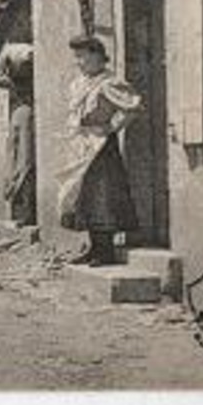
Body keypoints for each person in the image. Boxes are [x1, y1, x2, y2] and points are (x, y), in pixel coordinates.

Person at [57, 35, 142, 266]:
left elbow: (133, 107)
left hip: (102, 144)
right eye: (77, 57)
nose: (79, 62)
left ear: (97, 56)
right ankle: (93, 247)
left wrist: (111, 127)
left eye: (82, 56)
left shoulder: (109, 82)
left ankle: (105, 251)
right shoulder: (79, 83)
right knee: (82, 194)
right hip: (82, 143)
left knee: (102, 195)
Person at [0, 42, 37, 227]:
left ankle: (26, 212)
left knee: (24, 160)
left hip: (28, 112)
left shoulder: (24, 54)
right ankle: (22, 209)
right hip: (22, 111)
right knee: (19, 157)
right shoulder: (10, 54)